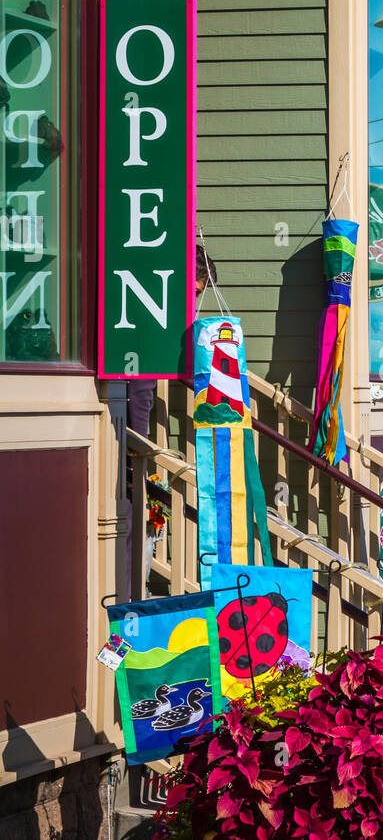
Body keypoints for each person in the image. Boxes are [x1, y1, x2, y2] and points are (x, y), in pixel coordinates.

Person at [125, 246, 218, 596]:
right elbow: (139, 391)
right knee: (142, 519)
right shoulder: (148, 321)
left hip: (136, 445)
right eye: (194, 293)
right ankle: (131, 599)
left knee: (149, 518)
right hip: (128, 447)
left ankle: (135, 595)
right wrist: (139, 452)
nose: (195, 305)